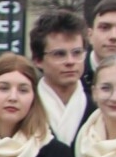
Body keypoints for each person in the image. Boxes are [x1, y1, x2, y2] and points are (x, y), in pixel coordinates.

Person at [30, 10, 92, 146]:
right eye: (59, 54)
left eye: (77, 53)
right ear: (38, 60)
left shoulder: (98, 107)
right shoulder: (26, 107)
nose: (70, 61)